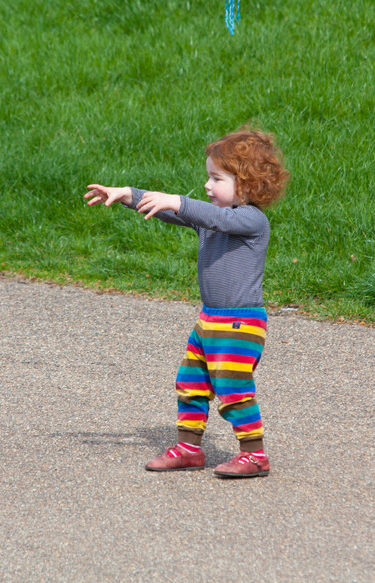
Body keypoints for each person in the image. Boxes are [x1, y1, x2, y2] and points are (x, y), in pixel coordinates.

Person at [84, 128, 289, 478]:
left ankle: (255, 455)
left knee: (234, 390)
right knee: (190, 382)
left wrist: (177, 199)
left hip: (240, 325)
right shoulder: (212, 217)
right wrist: (127, 195)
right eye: (208, 177)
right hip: (209, 321)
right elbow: (179, 213)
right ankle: (189, 448)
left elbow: (212, 217)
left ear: (247, 184)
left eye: (216, 178)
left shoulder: (252, 221)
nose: (207, 185)